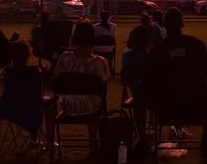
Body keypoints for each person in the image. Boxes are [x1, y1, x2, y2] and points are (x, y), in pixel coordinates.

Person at [143, 7, 207, 157]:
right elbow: (205, 72)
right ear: (182, 24)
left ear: (165, 26)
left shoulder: (158, 52)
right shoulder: (197, 45)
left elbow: (151, 79)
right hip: (194, 104)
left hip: (166, 107)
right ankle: (206, 136)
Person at [54, 21, 110, 151]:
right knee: (93, 99)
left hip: (68, 106)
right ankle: (93, 141)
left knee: (89, 98)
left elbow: (56, 80)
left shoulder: (64, 58)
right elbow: (103, 89)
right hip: (92, 108)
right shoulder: (99, 63)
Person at [0, 39, 43, 142]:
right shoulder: (34, 72)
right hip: (28, 111)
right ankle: (36, 138)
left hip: (8, 110)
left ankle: (34, 138)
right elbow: (37, 94)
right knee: (46, 105)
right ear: (28, 55)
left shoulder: (8, 72)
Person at [122, 25, 151, 149]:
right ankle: (152, 128)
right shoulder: (151, 54)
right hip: (151, 94)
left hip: (137, 94)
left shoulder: (127, 56)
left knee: (139, 98)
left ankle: (142, 134)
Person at [93, 10, 116, 75]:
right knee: (111, 49)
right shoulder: (113, 26)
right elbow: (113, 38)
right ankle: (108, 69)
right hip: (109, 49)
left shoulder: (95, 26)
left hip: (97, 49)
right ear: (109, 17)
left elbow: (94, 38)